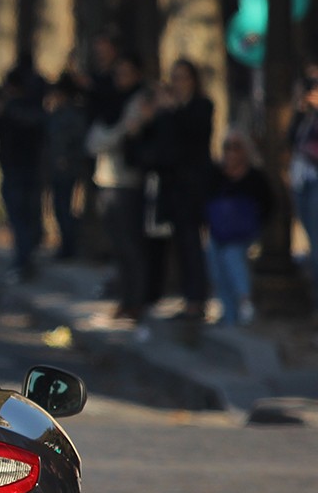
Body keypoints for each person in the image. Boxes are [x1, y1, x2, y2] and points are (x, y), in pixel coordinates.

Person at [129, 59, 215, 320]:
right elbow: (156, 144)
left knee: (190, 242)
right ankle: (162, 295)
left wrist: (172, 111)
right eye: (174, 77)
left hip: (192, 185)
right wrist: (148, 120)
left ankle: (196, 299)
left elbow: (193, 135)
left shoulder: (201, 106)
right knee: (168, 243)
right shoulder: (165, 111)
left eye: (183, 77)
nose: (178, 83)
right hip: (168, 186)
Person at [84, 54, 149, 321]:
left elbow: (121, 135)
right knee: (117, 246)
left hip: (127, 182)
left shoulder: (140, 101)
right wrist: (118, 132)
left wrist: (116, 134)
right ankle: (125, 299)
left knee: (130, 244)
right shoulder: (111, 102)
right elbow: (94, 142)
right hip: (106, 180)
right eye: (117, 73)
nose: (120, 79)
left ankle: (136, 300)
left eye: (126, 73)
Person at [0, 64, 46, 279]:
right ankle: (24, 259)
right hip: (15, 169)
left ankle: (24, 260)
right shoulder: (9, 108)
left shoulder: (26, 108)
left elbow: (36, 127)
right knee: (21, 218)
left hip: (26, 169)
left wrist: (4, 112)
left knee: (23, 218)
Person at [205, 130, 272, 326]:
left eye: (237, 147)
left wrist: (253, 221)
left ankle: (245, 301)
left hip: (244, 232)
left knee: (232, 255)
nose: (231, 152)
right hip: (219, 231)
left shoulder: (255, 177)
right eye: (227, 147)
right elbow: (205, 201)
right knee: (214, 258)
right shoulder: (216, 174)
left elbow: (269, 205)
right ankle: (229, 313)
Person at [42, 75, 86, 259]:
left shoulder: (72, 116)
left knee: (65, 208)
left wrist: (67, 158)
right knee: (59, 208)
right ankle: (65, 246)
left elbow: (77, 141)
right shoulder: (55, 114)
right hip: (56, 169)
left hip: (69, 169)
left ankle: (70, 247)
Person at [291, 75, 318, 297]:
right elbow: (291, 139)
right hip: (303, 180)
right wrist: (301, 111)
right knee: (311, 242)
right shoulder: (304, 115)